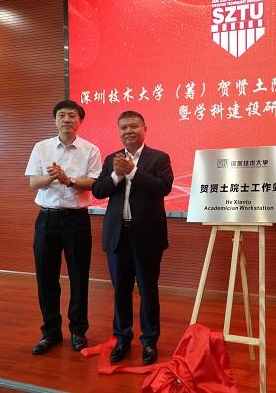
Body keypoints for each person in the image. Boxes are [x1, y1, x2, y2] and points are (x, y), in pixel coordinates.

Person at [92, 110, 173, 365]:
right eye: (123, 127)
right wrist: (117, 174)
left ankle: (149, 341)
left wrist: (134, 172)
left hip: (147, 235)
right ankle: (122, 338)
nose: (128, 131)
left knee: (148, 290)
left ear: (144, 129)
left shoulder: (159, 158)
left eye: (133, 126)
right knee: (121, 291)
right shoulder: (111, 160)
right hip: (118, 236)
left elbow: (163, 187)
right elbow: (98, 191)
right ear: (119, 132)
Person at [25, 100, 102, 355]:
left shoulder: (90, 149)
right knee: (46, 277)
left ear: (80, 121)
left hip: (76, 220)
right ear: (55, 120)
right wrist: (52, 177)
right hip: (46, 219)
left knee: (79, 277)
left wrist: (68, 180)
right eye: (62, 115)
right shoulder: (41, 147)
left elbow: (94, 183)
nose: (66, 119)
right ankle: (51, 332)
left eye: (72, 115)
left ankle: (78, 331)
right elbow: (34, 182)